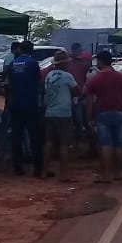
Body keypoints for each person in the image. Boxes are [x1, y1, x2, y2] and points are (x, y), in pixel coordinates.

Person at [84, 51, 122, 182]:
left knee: (105, 144)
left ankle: (106, 175)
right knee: (119, 144)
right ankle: (118, 173)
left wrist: (88, 118)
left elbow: (89, 101)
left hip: (102, 113)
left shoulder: (95, 79)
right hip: (120, 112)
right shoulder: (121, 77)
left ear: (100, 61)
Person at [8, 40, 45, 177]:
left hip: (15, 103)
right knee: (34, 137)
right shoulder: (33, 63)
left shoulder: (12, 64)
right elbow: (39, 82)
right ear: (31, 50)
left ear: (20, 49)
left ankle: (17, 168)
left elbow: (10, 85)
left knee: (16, 137)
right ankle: (38, 169)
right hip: (30, 103)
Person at [43, 50, 79, 181]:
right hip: (63, 113)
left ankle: (44, 171)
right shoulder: (67, 76)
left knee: (48, 142)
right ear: (64, 63)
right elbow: (76, 91)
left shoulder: (49, 75)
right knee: (64, 144)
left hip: (49, 112)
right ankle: (64, 174)